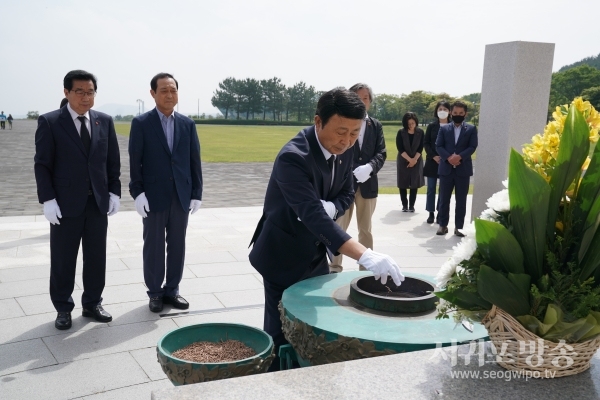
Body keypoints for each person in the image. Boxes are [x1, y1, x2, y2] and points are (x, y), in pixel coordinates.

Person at [249, 88, 404, 371]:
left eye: (355, 133)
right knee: (281, 331)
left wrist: (332, 208)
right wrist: (364, 255)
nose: (346, 142)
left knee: (316, 323)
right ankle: (274, 380)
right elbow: (312, 216)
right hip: (281, 255)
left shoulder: (345, 149)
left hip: (314, 254)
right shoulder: (293, 157)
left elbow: (347, 191)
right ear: (318, 121)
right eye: (341, 132)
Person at [33, 70, 121, 330]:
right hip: (65, 205)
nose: (86, 97)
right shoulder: (50, 122)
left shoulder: (104, 121)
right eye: (80, 91)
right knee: (63, 259)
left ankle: (92, 303)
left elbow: (111, 161)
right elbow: (42, 165)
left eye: (90, 91)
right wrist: (48, 200)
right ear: (66, 92)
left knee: (96, 257)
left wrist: (114, 192)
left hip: (97, 205)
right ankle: (63, 307)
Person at [129, 72, 203, 313]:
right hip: (153, 195)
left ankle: (172, 289)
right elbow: (135, 161)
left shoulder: (187, 124)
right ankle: (155, 292)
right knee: (153, 245)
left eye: (173, 90)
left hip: (180, 195)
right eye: (164, 90)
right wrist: (137, 192)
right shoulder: (141, 124)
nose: (169, 95)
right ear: (153, 94)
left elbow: (194, 161)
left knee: (178, 244)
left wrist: (197, 193)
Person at [329, 83, 386, 273]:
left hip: (367, 184)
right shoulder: (342, 122)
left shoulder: (375, 125)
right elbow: (337, 150)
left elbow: (381, 152)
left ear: (370, 102)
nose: (362, 102)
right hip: (344, 184)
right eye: (357, 97)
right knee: (339, 226)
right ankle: (334, 266)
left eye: (365, 98)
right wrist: (352, 170)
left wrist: (369, 167)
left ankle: (366, 266)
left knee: (365, 230)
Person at [435, 100, 478, 237]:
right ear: (450, 113)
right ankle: (443, 225)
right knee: (443, 199)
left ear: (465, 114)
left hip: (463, 170)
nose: (457, 115)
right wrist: (449, 157)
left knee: (461, 200)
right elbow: (439, 146)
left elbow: (472, 146)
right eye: (455, 113)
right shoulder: (444, 128)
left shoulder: (471, 129)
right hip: (446, 169)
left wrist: (459, 157)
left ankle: (459, 227)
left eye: (460, 113)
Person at [423, 101, 451, 223]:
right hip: (432, 161)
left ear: (449, 111)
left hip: (447, 162)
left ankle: (441, 212)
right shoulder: (431, 126)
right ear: (436, 111)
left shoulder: (453, 126)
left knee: (443, 190)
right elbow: (426, 143)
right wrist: (434, 156)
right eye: (440, 109)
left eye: (445, 109)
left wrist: (446, 157)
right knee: (431, 188)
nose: (442, 111)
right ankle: (430, 212)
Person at [396, 112, 424, 212]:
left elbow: (420, 148)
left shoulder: (420, 132)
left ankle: (412, 205)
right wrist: (409, 160)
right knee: (402, 182)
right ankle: (404, 205)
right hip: (403, 159)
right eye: (409, 124)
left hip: (417, 159)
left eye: (413, 123)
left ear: (416, 122)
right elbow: (400, 148)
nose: (411, 125)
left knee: (414, 183)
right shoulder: (401, 132)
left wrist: (414, 160)